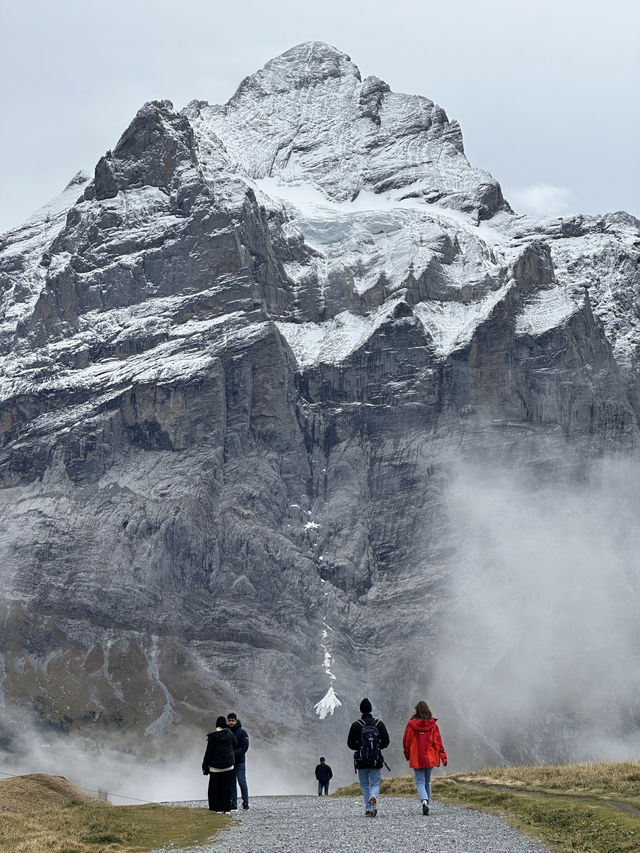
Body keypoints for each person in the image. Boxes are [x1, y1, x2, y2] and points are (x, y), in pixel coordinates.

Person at [402, 700, 448, 815]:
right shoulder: (433, 726)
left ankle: (424, 801)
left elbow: (406, 742)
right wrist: (443, 758)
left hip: (416, 757)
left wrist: (407, 755)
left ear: (416, 711)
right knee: (427, 782)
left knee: (420, 781)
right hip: (430, 757)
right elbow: (438, 743)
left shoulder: (411, 725)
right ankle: (427, 803)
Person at [347, 698, 390, 817]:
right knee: (375, 783)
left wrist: (360, 748)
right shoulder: (379, 724)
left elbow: (350, 744)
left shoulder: (356, 725)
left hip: (361, 761)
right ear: (371, 709)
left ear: (361, 710)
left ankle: (367, 809)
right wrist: (377, 747)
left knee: (365, 784)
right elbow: (386, 742)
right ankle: (374, 796)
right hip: (376, 759)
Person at [202, 716, 237, 813]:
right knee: (226, 788)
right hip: (229, 766)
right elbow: (235, 743)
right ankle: (227, 809)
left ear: (217, 724)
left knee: (215, 789)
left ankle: (216, 808)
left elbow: (208, 753)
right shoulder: (230, 734)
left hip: (215, 768)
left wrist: (205, 767)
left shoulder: (213, 737)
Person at [226, 711, 250, 810]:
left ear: (236, 721)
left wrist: (233, 754)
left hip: (240, 762)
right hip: (230, 762)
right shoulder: (226, 732)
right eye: (229, 721)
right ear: (227, 721)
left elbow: (245, 747)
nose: (231, 722)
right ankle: (233, 803)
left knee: (242, 782)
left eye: (233, 720)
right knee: (232, 783)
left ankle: (245, 802)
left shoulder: (242, 733)